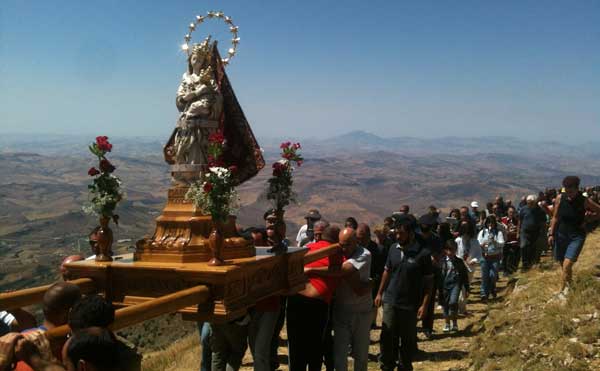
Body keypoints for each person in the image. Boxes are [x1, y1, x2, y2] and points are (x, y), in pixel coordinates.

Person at [305, 228, 372, 371]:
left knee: (360, 355)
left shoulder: (364, 254)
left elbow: (343, 270)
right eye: (341, 244)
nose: (344, 248)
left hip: (361, 311)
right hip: (341, 311)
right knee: (340, 356)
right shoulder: (337, 253)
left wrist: (312, 270)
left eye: (347, 244)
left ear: (356, 242)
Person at [375, 214, 433, 371]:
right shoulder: (393, 248)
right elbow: (387, 271)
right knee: (387, 335)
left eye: (402, 233)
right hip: (391, 300)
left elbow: (429, 283)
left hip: (409, 304)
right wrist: (380, 293)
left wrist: (424, 305)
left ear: (411, 234)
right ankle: (387, 365)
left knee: (407, 340)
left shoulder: (423, 254)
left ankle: (404, 366)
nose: (398, 236)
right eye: (396, 233)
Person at [287, 225, 342, 371]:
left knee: (296, 347)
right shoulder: (338, 253)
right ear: (338, 239)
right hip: (317, 304)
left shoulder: (308, 248)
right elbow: (341, 271)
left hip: (295, 298)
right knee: (314, 347)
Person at [548, 176, 600, 299]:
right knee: (563, 264)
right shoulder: (560, 198)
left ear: (577, 189)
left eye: (571, 191)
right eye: (567, 190)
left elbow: (599, 211)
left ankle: (562, 291)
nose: (569, 194)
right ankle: (569, 286)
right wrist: (551, 233)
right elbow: (555, 217)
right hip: (561, 234)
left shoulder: (584, 201)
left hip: (577, 236)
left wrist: (589, 218)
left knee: (567, 265)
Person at [417, 214, 442, 339]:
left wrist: (433, 258)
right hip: (418, 273)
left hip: (432, 272)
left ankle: (427, 327)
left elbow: (438, 255)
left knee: (430, 300)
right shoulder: (416, 239)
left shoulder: (435, 239)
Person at [440, 240, 470, 332]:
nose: (450, 253)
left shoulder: (459, 262)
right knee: (445, 305)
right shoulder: (442, 262)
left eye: (452, 250)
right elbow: (438, 275)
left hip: (455, 284)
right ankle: (447, 323)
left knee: (453, 303)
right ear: (445, 250)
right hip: (444, 285)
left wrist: (467, 288)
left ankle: (455, 323)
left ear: (455, 250)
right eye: (448, 250)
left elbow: (464, 275)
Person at [477, 216, 504, 300]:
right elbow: (478, 243)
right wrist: (482, 245)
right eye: (489, 223)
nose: (490, 225)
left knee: (492, 275)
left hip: (495, 257)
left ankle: (492, 287)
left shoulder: (498, 233)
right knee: (485, 276)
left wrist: (495, 242)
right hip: (484, 257)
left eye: (492, 223)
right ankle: (483, 293)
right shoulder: (482, 232)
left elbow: (502, 243)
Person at [518, 195, 546, 271]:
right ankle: (524, 264)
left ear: (535, 202)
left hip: (535, 233)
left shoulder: (540, 211)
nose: (529, 204)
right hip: (524, 232)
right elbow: (520, 221)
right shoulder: (523, 209)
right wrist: (518, 232)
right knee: (523, 246)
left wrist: (542, 233)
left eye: (531, 203)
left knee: (533, 248)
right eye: (528, 203)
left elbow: (543, 222)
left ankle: (530, 264)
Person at [501, 206, 520, 275]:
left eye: (513, 212)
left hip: (514, 242)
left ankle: (511, 270)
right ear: (507, 212)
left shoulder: (517, 221)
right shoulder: (503, 220)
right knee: (504, 257)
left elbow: (519, 231)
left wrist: (513, 233)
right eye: (510, 212)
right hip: (505, 241)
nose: (511, 214)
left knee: (512, 257)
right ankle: (505, 270)